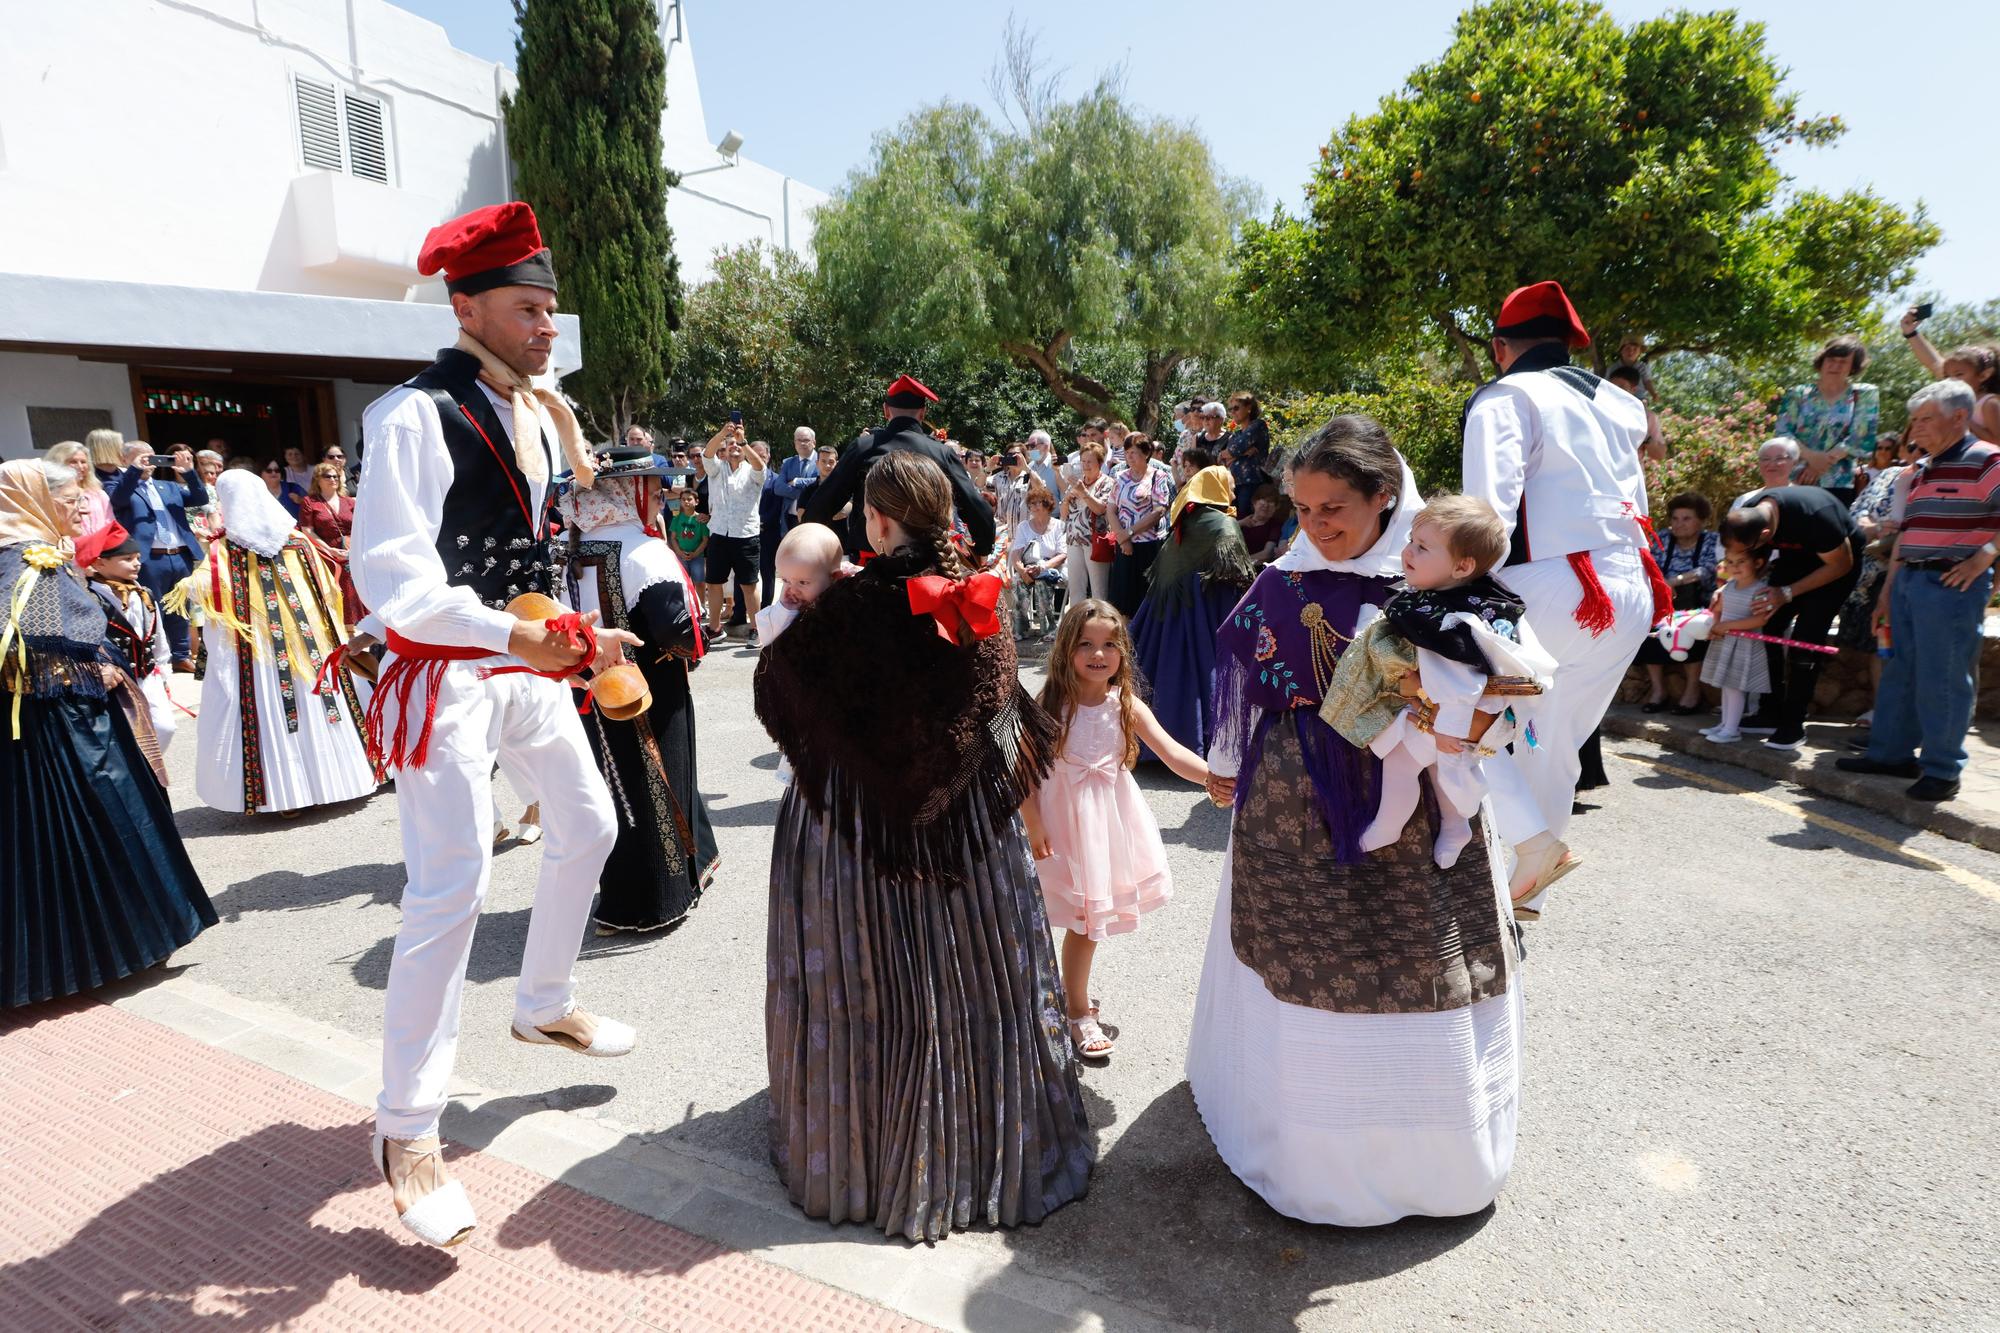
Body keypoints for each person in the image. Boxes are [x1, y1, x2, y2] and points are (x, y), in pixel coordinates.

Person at [351, 201, 640, 1249]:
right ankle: (405, 1129)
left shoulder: (537, 409)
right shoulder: (411, 417)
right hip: (448, 672)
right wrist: (512, 639)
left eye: (549, 309)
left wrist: (571, 632)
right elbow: (393, 582)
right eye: (527, 308)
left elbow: (531, 551)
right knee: (452, 882)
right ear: (466, 305)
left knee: (590, 823)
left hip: (520, 656)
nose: (546, 325)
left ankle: (542, 1000)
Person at [1188, 414, 1522, 1226]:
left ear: (1385, 496)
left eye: (1334, 506)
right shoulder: (1283, 581)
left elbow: (1504, 687)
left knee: (1419, 950)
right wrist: (1225, 767)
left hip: (1413, 793)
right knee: (1300, 949)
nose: (1316, 524)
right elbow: (1243, 692)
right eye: (1303, 508)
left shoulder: (1436, 590)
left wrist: (1470, 731)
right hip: (1294, 794)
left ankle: (1428, 1158)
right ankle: (1311, 1153)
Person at [756, 449, 1091, 1241]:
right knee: (975, 976)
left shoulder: (843, 611)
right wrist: (1021, 808)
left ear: (873, 520)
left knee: (864, 978)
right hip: (968, 838)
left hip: (852, 837)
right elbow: (1004, 716)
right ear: (946, 514)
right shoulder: (983, 599)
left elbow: (778, 685)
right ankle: (985, 1149)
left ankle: (861, 1159)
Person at [1462, 280, 1665, 911]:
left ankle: (1521, 853)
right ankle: (1523, 895)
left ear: (1500, 347)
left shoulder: (1504, 397)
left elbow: (1488, 510)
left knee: (1443, 714)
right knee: (1551, 743)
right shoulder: (1621, 401)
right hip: (1630, 585)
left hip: (1548, 583)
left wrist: (1456, 586)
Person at [0, 459, 215, 1009]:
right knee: (95, 818)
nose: (81, 507)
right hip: (63, 724)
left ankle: (100, 950)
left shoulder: (34, 551)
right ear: (35, 500)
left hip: (58, 714)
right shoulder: (28, 558)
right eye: (69, 498)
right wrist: (97, 658)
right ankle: (108, 949)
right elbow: (36, 633)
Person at [1324, 495, 1553, 875]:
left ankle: (1388, 825)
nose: (1408, 552)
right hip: (1437, 713)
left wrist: (1449, 729)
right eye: (1411, 540)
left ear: (1463, 566)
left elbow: (1461, 682)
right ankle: (1454, 826)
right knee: (1435, 771)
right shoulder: (1454, 597)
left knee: (1401, 766)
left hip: (1451, 719)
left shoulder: (1456, 621)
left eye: (1423, 547)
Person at [1033, 598, 1214, 1059]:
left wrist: (1214, 778)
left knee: (1088, 923)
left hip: (1107, 825)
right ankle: (1075, 1010)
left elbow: (1173, 753)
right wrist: (1033, 826)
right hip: (1060, 824)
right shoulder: (1052, 704)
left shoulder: (1125, 704)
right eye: (1087, 644)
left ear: (1123, 652)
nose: (1099, 654)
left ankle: (1072, 999)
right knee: (1077, 921)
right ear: (1066, 650)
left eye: (1110, 644)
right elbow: (1022, 770)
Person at [561, 446, 719, 935]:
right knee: (659, 775)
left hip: (588, 686)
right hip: (649, 685)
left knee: (615, 785)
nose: (662, 497)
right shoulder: (644, 551)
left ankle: (673, 868)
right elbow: (678, 633)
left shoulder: (576, 547)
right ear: (631, 492)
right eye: (654, 487)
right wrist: (700, 639)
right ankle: (652, 897)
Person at [175, 471, 377, 816]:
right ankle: (343, 780)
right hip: (311, 644)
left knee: (273, 709)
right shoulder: (298, 541)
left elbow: (204, 592)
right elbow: (329, 589)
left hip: (259, 653)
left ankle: (288, 797)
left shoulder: (224, 550)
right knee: (320, 703)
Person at [1838, 380, 2000, 801]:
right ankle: (1891, 754)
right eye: (1914, 420)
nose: (1915, 429)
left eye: (1926, 418)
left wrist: (1983, 557)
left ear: (1960, 417)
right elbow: (1907, 534)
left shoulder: (1986, 460)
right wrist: (1889, 591)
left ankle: (1942, 770)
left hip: (1950, 585)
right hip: (1909, 580)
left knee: (1943, 678)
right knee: (1900, 672)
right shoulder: (1924, 468)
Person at [1718, 483, 1861, 752]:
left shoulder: (1816, 516)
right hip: (1793, 561)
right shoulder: (1750, 513)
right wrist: (1725, 588)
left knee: (1806, 638)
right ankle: (1770, 711)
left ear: (1765, 534)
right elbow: (1741, 557)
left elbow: (1842, 564)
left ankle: (1794, 722)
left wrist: (1787, 593)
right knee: (1767, 624)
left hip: (1836, 567)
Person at [1129, 465, 1254, 757]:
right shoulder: (1222, 524)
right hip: (1207, 613)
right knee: (1203, 671)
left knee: (1164, 672)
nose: (1234, 492)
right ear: (1216, 488)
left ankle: (1152, 744)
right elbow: (1235, 578)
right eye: (1230, 485)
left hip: (1165, 616)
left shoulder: (1182, 526)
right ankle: (1204, 742)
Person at [803, 374, 995, 561]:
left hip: (871, 562)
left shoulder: (863, 448)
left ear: (886, 411)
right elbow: (976, 507)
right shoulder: (940, 452)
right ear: (923, 412)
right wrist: (982, 548)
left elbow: (824, 503)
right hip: (927, 565)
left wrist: (807, 544)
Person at [79, 522, 176, 782]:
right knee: (126, 732)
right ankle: (136, 779)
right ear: (99, 564)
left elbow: (158, 635)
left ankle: (144, 771)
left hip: (148, 673)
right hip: (118, 680)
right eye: (127, 559)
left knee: (165, 726)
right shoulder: (90, 598)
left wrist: (164, 669)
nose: (136, 564)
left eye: (137, 558)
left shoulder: (144, 594)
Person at [106, 439, 209, 671]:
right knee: (154, 608)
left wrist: (189, 473)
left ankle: (181, 655)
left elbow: (201, 499)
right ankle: (156, 656)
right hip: (149, 556)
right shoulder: (119, 485)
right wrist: (134, 470)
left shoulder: (168, 486)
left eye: (152, 456)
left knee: (180, 607)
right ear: (125, 460)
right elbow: (118, 500)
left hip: (179, 554)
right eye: (142, 457)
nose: (149, 462)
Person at [1636, 493, 1721, 713]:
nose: (1679, 524)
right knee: (1649, 630)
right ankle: (1658, 690)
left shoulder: (1711, 540)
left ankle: (1692, 691)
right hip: (1661, 599)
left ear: (1700, 521)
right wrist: (1662, 584)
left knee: (1691, 629)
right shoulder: (1663, 538)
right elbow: (1648, 563)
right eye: (1675, 518)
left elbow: (1708, 569)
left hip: (1696, 602)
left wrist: (1674, 581)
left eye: (1686, 518)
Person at [1773, 335, 1878, 506]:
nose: (1835, 365)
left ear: (1853, 367)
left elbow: (1861, 436)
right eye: (1831, 359)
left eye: (1843, 361)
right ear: (1822, 360)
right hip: (1796, 479)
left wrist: (1820, 465)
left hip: (1840, 483)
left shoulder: (1864, 394)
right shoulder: (1797, 394)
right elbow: (1782, 432)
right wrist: (1812, 457)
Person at [694, 422, 765, 641]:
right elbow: (707, 454)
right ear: (724, 449)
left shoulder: (753, 470)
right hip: (719, 534)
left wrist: (743, 442)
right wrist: (722, 434)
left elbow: (760, 465)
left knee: (748, 584)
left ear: (744, 448)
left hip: (746, 535)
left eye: (738, 444)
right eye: (730, 444)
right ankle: (715, 628)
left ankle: (756, 629)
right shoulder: (716, 468)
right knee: (714, 582)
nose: (734, 447)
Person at [1696, 548, 1774, 743]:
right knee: (1726, 685)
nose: (1734, 567)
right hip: (1725, 641)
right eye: (1730, 562)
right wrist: (1715, 626)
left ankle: (1732, 729)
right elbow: (1719, 610)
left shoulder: (1759, 589)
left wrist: (1726, 626)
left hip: (1744, 646)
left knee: (1734, 687)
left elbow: (1759, 620)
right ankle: (1725, 724)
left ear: (1757, 563)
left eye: (1740, 562)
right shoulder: (1729, 587)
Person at [1899, 304, 2000, 443]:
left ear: (1984, 375)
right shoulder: (1955, 392)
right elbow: (1933, 362)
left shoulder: (1989, 403)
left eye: (1959, 374)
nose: (1950, 380)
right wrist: (1910, 333)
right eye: (1947, 376)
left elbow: (1997, 442)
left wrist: (1965, 420)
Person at [1107, 433, 1171, 617]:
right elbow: (1111, 509)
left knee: (1145, 601)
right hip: (1124, 545)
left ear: (1146, 453)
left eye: (1133, 452)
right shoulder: (1120, 477)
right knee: (1122, 601)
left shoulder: (1158, 477)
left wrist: (1129, 532)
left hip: (1148, 546)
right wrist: (1122, 537)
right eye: (1127, 452)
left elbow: (1159, 511)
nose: (1129, 457)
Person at [298, 459, 365, 624]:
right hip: (327, 552)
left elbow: (361, 526)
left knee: (360, 588)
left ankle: (365, 627)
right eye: (328, 476)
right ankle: (346, 629)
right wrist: (329, 550)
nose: (333, 479)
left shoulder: (349, 501)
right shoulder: (310, 502)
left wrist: (356, 548)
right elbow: (307, 530)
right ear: (318, 479)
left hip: (353, 550)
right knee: (339, 590)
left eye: (336, 476)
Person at [1060, 441, 1115, 603]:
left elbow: (1100, 509)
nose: (1085, 465)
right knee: (1076, 590)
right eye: (1083, 461)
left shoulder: (1107, 483)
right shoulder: (1078, 481)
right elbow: (1064, 515)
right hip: (1073, 539)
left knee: (1099, 591)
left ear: (1100, 463)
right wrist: (1066, 500)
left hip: (1095, 542)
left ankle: (1100, 625)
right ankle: (1077, 626)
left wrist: (1083, 492)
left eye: (1089, 461)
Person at [1009, 484, 1067, 637]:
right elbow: (1015, 554)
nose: (1033, 507)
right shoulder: (1024, 526)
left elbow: (1062, 555)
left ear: (1047, 504)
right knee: (1017, 581)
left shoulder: (1059, 526)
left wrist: (1042, 567)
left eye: (1037, 503)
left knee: (1042, 581)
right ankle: (1021, 629)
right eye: (1031, 504)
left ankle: (1048, 628)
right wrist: (1022, 571)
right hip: (1028, 567)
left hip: (1051, 567)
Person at [1606, 365, 1667, 463]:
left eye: (1621, 387)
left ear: (1633, 390)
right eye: (1612, 387)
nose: (1615, 392)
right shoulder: (1600, 411)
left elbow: (1659, 454)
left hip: (1631, 476)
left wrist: (1643, 434)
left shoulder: (1647, 417)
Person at [46, 440, 109, 532]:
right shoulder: (52, 496)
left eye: (83, 462)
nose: (79, 466)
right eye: (73, 462)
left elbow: (109, 523)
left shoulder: (99, 494)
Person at [1221, 392, 1271, 493]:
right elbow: (1222, 458)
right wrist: (1244, 453)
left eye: (1236, 408)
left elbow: (1234, 450)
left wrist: (1234, 454)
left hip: (1251, 484)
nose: (1233, 412)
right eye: (1230, 409)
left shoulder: (1258, 425)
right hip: (1233, 485)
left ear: (1249, 407)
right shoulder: (1236, 434)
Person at [1735, 437, 1802, 507]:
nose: (1772, 464)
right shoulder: (1745, 500)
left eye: (1779, 458)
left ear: (1794, 463)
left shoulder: (1803, 498)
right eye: (1766, 459)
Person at [1238, 484, 1289, 566]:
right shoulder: (1239, 517)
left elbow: (1267, 554)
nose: (1266, 505)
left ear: (1276, 507)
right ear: (1254, 502)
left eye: (1271, 501)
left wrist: (1241, 564)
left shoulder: (1275, 526)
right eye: (1263, 499)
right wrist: (1240, 523)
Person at [667, 487, 709, 587]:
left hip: (697, 557)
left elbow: (705, 540)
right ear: (680, 501)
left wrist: (695, 554)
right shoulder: (676, 519)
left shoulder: (700, 519)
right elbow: (673, 537)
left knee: (699, 582)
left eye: (689, 499)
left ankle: (701, 603)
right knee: (683, 583)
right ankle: (687, 602)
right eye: (683, 499)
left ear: (696, 502)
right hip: (681, 556)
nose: (686, 501)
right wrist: (679, 552)